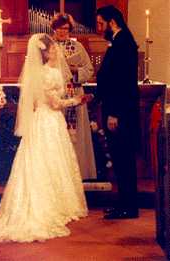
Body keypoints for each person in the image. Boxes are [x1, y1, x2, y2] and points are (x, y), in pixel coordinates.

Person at [0, 34, 92, 242]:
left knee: (52, 162)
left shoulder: (47, 72)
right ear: (44, 53)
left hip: (48, 120)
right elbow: (54, 104)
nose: (56, 51)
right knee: (47, 161)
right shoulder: (46, 74)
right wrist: (77, 100)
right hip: (48, 120)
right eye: (52, 49)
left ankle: (58, 202)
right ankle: (48, 205)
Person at [95, 5, 140, 219]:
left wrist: (114, 113)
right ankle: (124, 204)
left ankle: (128, 207)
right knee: (121, 160)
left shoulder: (123, 43)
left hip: (119, 112)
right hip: (116, 109)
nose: (99, 27)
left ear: (112, 21)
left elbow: (122, 83)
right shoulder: (119, 40)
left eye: (101, 23)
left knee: (123, 159)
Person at [51, 13, 97, 180]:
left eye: (66, 28)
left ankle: (77, 173)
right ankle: (58, 175)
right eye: (59, 28)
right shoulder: (48, 47)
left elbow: (90, 70)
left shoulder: (77, 48)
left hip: (75, 94)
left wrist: (76, 70)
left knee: (76, 136)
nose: (63, 31)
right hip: (56, 95)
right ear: (54, 29)